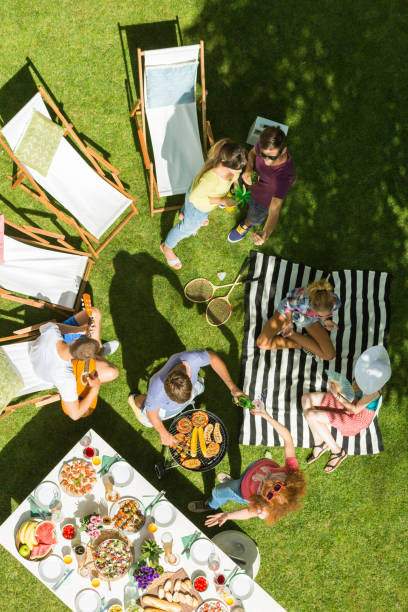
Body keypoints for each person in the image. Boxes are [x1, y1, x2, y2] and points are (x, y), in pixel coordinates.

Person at [188, 404, 307, 526]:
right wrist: (267, 416)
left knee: (218, 491)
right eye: (272, 479)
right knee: (243, 477)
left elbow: (249, 512)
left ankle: (211, 504)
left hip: (243, 490)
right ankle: (237, 480)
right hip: (256, 469)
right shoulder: (291, 471)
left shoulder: (265, 507)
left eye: (263, 488)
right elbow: (288, 439)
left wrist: (227, 515)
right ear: (287, 481)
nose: (267, 479)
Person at [302, 345, 391, 473]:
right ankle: (320, 443)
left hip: (356, 418)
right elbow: (352, 392)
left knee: (311, 415)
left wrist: (336, 395)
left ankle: (337, 451)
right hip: (350, 402)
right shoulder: (365, 373)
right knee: (305, 399)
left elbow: (355, 410)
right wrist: (339, 388)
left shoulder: (375, 391)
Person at [128, 350, 244, 448]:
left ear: (189, 376)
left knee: (201, 387)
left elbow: (213, 358)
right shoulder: (156, 392)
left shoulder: (193, 359)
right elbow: (152, 414)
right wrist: (163, 433)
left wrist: (232, 387)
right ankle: (134, 399)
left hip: (189, 389)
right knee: (148, 421)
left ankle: (195, 387)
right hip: (164, 407)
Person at [160, 139, 248, 269]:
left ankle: (184, 214)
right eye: (236, 170)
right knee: (186, 229)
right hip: (198, 207)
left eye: (240, 169)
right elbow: (195, 198)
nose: (239, 173)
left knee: (191, 213)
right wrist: (222, 200)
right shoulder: (211, 179)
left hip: (200, 199)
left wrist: (236, 187)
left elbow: (234, 178)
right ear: (224, 162)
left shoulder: (227, 165)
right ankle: (167, 248)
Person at [30, 308, 119, 420]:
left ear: (75, 340)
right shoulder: (66, 378)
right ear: (78, 361)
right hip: (47, 369)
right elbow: (75, 415)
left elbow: (51, 327)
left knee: (94, 313)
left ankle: (99, 351)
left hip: (38, 356)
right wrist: (95, 388)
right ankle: (99, 352)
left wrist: (80, 330)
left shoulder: (52, 332)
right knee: (113, 372)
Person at [227, 125, 295, 244]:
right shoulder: (264, 145)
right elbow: (252, 153)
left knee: (253, 218)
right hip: (252, 180)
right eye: (263, 155)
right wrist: (248, 169)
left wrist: (266, 233)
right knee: (237, 187)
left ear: (284, 150)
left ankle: (246, 224)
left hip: (262, 201)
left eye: (272, 157)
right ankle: (235, 198)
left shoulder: (285, 176)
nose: (266, 160)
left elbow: (275, 209)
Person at [256, 279, 340, 361]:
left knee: (329, 355)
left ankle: (293, 336)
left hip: (308, 318)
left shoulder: (334, 302)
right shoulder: (301, 298)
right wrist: (289, 322)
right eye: (319, 315)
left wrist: (326, 320)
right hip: (288, 312)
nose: (319, 317)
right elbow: (287, 307)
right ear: (311, 305)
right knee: (262, 343)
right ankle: (297, 345)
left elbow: (324, 312)